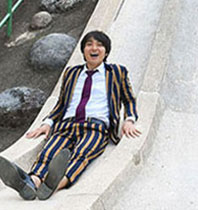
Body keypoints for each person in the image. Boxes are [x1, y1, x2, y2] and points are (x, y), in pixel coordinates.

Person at [0, 30, 141, 200]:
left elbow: (129, 99)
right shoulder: (72, 73)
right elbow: (61, 104)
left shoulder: (117, 72)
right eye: (89, 44)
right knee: (48, 153)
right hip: (66, 124)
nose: (94, 48)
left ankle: (55, 184)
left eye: (99, 45)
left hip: (95, 126)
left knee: (83, 152)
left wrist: (129, 120)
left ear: (106, 51)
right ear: (83, 51)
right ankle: (32, 183)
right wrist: (48, 123)